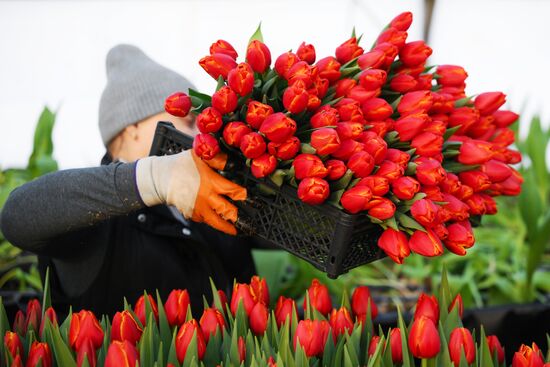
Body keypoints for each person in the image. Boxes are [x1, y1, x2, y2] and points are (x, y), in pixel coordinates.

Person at [0, 44, 256, 318]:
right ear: (132, 127)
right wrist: (155, 176)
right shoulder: (96, 219)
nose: (201, 134)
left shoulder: (212, 198)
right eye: (190, 121)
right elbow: (17, 216)